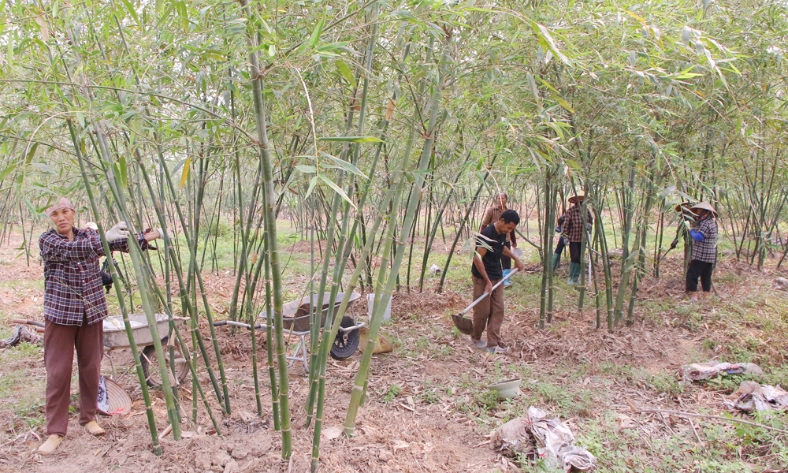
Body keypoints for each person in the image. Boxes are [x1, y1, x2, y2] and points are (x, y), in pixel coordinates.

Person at [37, 198, 162, 455]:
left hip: (91, 312)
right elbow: (79, 249)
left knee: (91, 366)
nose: (61, 218)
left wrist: (148, 236)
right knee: (58, 372)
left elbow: (116, 242)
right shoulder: (49, 241)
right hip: (60, 315)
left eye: (65, 212)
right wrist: (105, 237)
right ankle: (55, 431)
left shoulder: (89, 235)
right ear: (50, 218)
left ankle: (89, 417)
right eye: (55, 214)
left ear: (73, 213)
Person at [471, 209, 524, 353]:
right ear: (501, 221)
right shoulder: (486, 235)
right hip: (482, 277)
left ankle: (493, 342)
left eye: (512, 229)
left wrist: (515, 259)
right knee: (483, 310)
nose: (509, 230)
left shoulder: (502, 233)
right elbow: (477, 258)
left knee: (498, 309)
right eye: (509, 227)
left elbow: (502, 248)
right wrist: (487, 281)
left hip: (497, 275)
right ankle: (476, 337)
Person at [480, 193, 517, 287]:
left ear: (506, 200)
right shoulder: (491, 211)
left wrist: (513, 241)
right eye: (498, 198)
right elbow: (484, 224)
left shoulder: (509, 212)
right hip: (491, 239)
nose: (500, 199)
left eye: (503, 198)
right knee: (492, 258)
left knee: (506, 260)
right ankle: (488, 278)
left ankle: (505, 279)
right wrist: (482, 237)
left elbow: (511, 229)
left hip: (505, 238)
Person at [686, 202, 719, 301]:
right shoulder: (711, 222)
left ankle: (694, 297)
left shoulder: (705, 223)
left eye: (699, 210)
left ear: (704, 211)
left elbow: (698, 237)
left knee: (692, 274)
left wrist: (690, 230)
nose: (697, 212)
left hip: (701, 255)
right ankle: (706, 298)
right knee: (706, 277)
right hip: (710, 256)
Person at [562, 193, 593, 285]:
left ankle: (576, 278)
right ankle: (571, 277)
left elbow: (591, 222)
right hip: (573, 238)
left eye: (582, 201)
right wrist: (565, 236)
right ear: (575, 202)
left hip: (582, 239)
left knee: (580, 258)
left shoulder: (586, 211)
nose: (580, 203)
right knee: (574, 257)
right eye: (579, 201)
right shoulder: (570, 211)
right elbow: (566, 225)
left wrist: (589, 225)